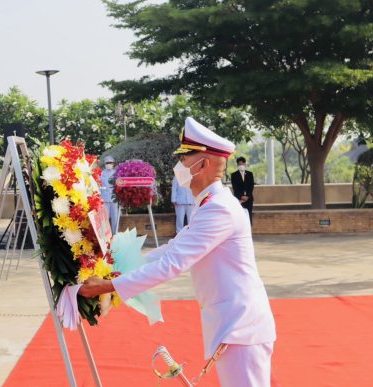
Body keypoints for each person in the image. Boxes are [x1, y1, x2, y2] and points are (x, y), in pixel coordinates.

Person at [79, 117, 276, 387]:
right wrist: (119, 270)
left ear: (203, 164)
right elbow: (172, 249)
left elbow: (172, 264)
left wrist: (109, 285)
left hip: (241, 327)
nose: (179, 166)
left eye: (184, 159)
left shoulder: (218, 208)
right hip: (234, 325)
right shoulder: (207, 204)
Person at [231, 157, 254, 226]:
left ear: (245, 164)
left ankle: (249, 231)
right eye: (239, 164)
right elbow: (235, 188)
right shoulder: (234, 175)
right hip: (239, 199)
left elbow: (251, 186)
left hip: (249, 199)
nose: (241, 165)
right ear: (237, 165)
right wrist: (241, 197)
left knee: (249, 215)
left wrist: (248, 196)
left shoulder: (250, 174)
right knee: (240, 216)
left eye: (242, 163)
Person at [100, 155, 118, 234]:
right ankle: (106, 235)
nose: (108, 164)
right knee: (105, 218)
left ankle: (115, 234)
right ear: (104, 163)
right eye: (107, 163)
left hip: (114, 198)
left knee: (115, 217)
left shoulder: (116, 173)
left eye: (110, 163)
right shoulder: (101, 173)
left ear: (113, 163)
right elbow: (99, 184)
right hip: (104, 198)